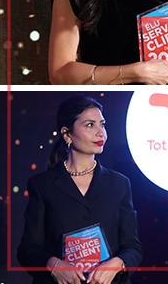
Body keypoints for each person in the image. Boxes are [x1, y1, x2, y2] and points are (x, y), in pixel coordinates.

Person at [17, 96, 143, 284]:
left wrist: (118, 263)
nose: (101, 133)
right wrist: (53, 265)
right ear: (67, 134)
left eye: (102, 124)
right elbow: (28, 250)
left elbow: (133, 247)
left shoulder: (119, 183)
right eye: (90, 125)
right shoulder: (42, 185)